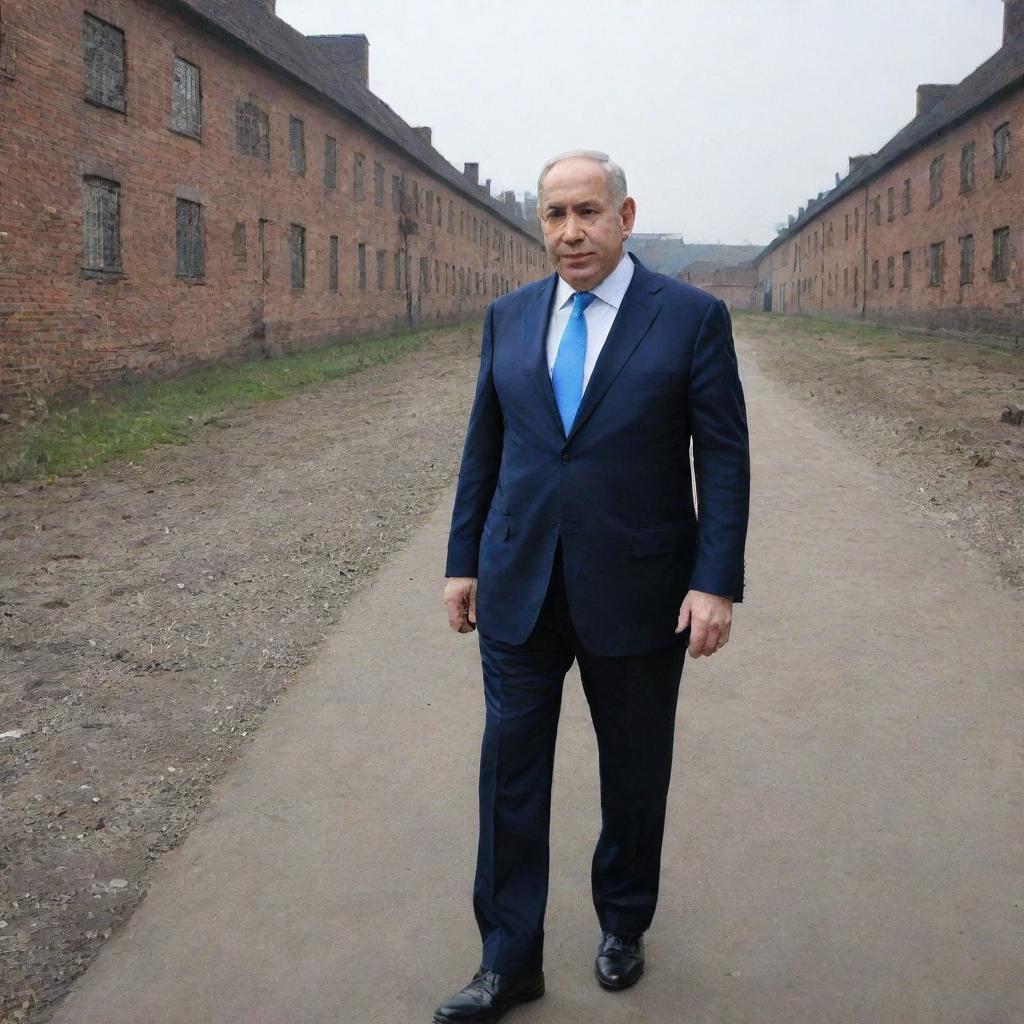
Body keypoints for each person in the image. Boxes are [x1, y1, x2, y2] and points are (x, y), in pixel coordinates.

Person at [435, 150, 750, 1023]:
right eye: (553, 215)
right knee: (509, 775)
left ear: (624, 214)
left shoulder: (689, 318)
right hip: (518, 586)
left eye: (587, 212)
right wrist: (462, 561)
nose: (569, 232)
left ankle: (622, 923)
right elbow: (483, 450)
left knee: (635, 773)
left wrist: (715, 581)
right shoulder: (509, 317)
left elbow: (722, 457)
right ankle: (507, 961)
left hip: (643, 590)